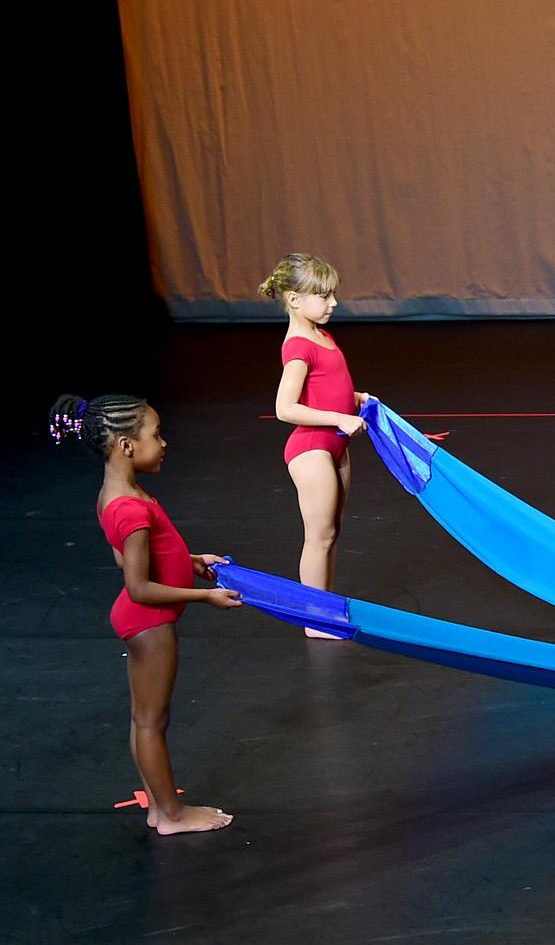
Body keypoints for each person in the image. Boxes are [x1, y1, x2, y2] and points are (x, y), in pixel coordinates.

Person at [50, 393, 241, 835]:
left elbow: (133, 559)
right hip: (148, 622)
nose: (165, 442)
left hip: (140, 620)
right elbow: (138, 585)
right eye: (156, 435)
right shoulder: (130, 507)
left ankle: (158, 808)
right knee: (152, 722)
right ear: (126, 446)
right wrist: (204, 596)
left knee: (145, 720)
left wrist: (190, 560)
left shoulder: (117, 493)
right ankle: (172, 816)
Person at [262, 252, 368, 634]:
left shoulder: (321, 335)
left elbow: (326, 388)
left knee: (331, 532)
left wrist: (352, 399)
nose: (333, 303)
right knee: (319, 536)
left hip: (334, 447)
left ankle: (324, 606)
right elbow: (285, 407)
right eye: (323, 296)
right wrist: (340, 417)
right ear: (294, 299)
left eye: (332, 294)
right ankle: (313, 618)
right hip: (312, 450)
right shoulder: (297, 346)